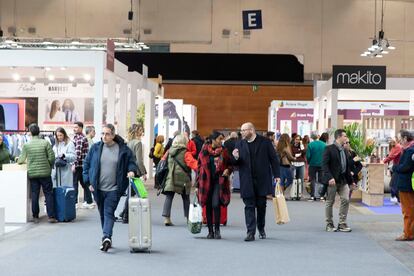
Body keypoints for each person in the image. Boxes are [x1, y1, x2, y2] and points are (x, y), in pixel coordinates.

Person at [83, 123, 137, 252]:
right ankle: (106, 237)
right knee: (102, 213)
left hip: (114, 189)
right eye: (102, 133)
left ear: (113, 135)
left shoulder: (123, 149)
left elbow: (131, 162)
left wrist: (131, 171)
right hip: (97, 188)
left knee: (108, 212)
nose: (104, 136)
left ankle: (106, 236)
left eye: (107, 134)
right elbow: (86, 164)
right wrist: (88, 182)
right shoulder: (96, 148)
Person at [232, 122, 280, 241]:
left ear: (251, 130)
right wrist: (236, 158)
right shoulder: (240, 143)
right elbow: (236, 164)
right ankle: (250, 232)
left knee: (261, 206)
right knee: (249, 206)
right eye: (241, 130)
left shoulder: (265, 142)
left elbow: (273, 159)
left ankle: (261, 228)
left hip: (262, 179)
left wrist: (277, 175)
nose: (242, 133)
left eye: (244, 130)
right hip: (246, 180)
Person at [17, 123, 57, 223]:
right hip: (45, 173)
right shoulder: (45, 143)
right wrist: (48, 165)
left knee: (35, 194)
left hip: (33, 174)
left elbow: (21, 159)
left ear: (30, 132)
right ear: (39, 131)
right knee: (48, 193)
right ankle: (51, 216)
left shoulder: (27, 145)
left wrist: (17, 160)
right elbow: (52, 157)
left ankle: (35, 216)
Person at [197, 131, 231, 239]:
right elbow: (198, 166)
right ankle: (210, 231)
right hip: (205, 181)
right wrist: (197, 184)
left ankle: (217, 230)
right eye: (219, 139)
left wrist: (228, 170)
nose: (221, 141)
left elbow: (230, 165)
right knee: (208, 205)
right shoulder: (204, 150)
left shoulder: (224, 151)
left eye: (222, 139)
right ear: (213, 140)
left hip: (219, 181)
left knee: (216, 204)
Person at [322, 129, 354, 232]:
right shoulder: (329, 149)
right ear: (339, 137)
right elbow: (324, 165)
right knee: (330, 202)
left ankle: (342, 223)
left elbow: (347, 167)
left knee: (346, 199)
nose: (346, 138)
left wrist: (351, 181)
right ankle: (329, 224)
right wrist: (329, 177)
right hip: (332, 180)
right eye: (344, 136)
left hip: (343, 180)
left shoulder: (344, 150)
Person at [162, 134, 196, 226]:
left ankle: (166, 218)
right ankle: (189, 218)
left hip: (171, 177)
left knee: (169, 197)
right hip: (183, 179)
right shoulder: (186, 153)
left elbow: (162, 161)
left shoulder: (169, 151)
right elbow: (193, 164)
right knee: (186, 198)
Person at [119, 124, 148, 223]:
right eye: (140, 130)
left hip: (127, 169)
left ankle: (123, 212)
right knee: (131, 193)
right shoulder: (138, 143)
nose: (142, 132)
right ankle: (125, 215)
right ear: (136, 131)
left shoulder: (128, 143)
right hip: (134, 170)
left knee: (130, 192)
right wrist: (143, 172)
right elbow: (139, 160)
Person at [392, 130, 414, 241]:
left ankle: (408, 234)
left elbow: (406, 167)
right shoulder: (409, 150)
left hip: (406, 184)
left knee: (407, 211)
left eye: (400, 138)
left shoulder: (409, 151)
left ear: (405, 138)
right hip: (409, 183)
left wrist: (394, 167)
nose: (398, 140)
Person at [73, 121, 93, 208]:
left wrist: (74, 164)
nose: (74, 129)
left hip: (79, 165)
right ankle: (89, 201)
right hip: (82, 165)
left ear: (81, 128)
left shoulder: (80, 138)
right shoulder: (77, 137)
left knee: (75, 184)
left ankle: (74, 203)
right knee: (84, 183)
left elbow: (78, 153)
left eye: (76, 127)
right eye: (74, 127)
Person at [306, 133, 327, 201]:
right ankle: (321, 196)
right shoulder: (324, 144)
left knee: (313, 180)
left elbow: (308, 156)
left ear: (312, 138)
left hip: (312, 164)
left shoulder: (310, 144)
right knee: (321, 180)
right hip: (322, 164)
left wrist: (309, 162)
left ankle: (312, 196)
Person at [383, 139, 402, 203]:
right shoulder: (394, 147)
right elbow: (390, 157)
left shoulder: (397, 147)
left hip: (397, 168)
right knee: (394, 183)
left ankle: (395, 197)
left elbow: (391, 157)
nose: (391, 144)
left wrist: (383, 161)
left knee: (393, 183)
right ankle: (396, 197)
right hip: (395, 167)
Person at [318, 132, 330, 201]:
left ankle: (318, 194)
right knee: (323, 180)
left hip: (315, 164)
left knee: (315, 179)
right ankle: (322, 194)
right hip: (323, 165)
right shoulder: (326, 146)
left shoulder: (315, 144)